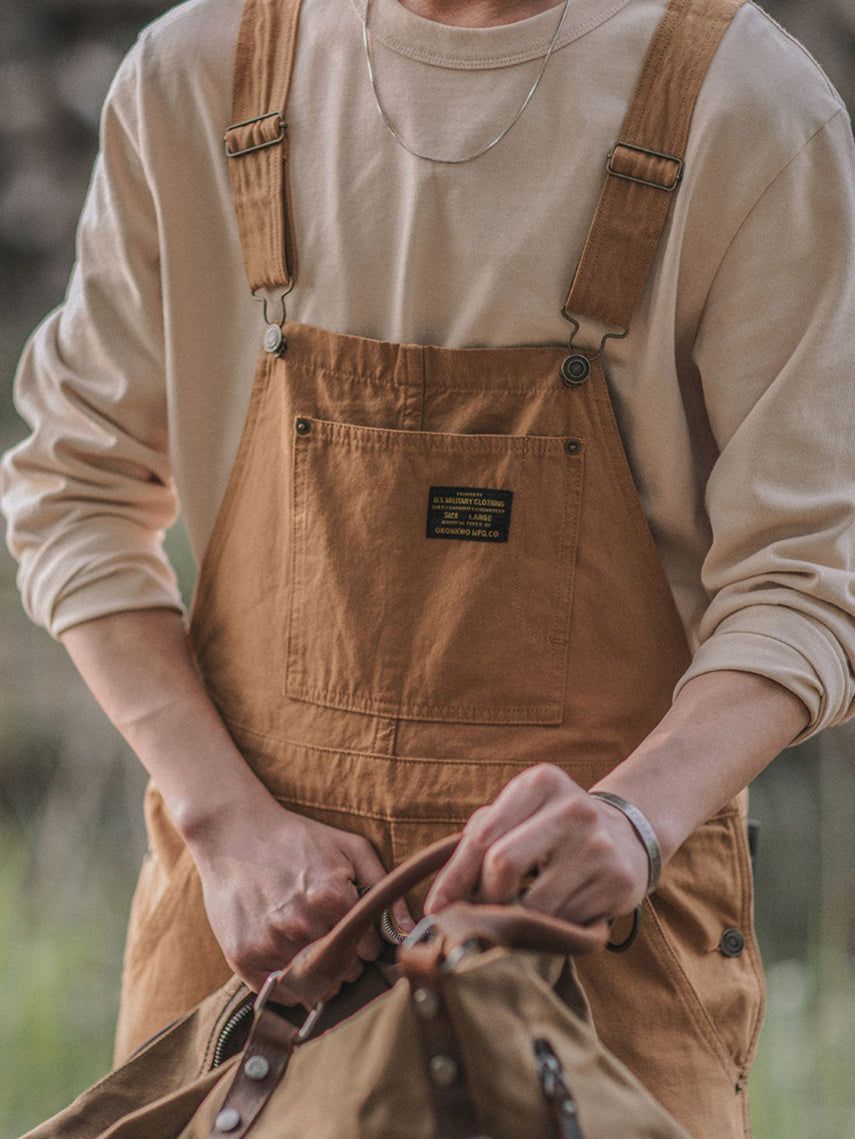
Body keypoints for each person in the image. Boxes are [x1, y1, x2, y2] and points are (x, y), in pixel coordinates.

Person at [2, 0, 853, 1133]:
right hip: (250, 975)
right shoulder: (201, 73)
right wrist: (229, 821)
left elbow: (809, 575)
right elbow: (74, 492)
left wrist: (631, 824)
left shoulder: (745, 104)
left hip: (602, 975)